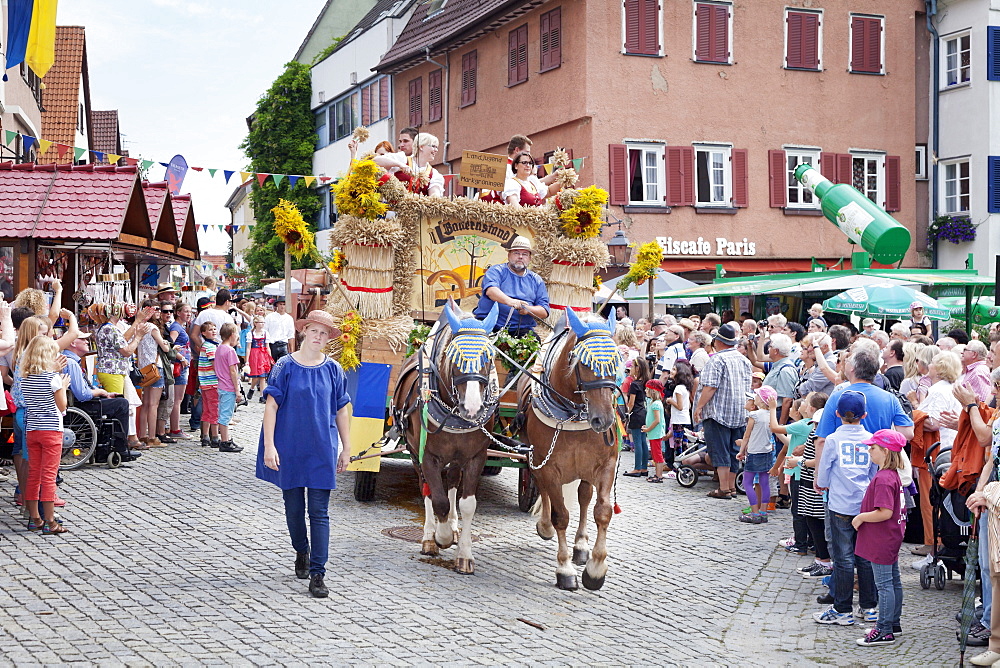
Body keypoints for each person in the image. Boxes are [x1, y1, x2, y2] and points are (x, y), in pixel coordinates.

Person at [258, 310, 352, 599]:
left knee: (320, 512)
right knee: (294, 508)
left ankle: (318, 573)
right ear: (304, 331)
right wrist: (270, 446)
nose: (319, 337)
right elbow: (271, 407)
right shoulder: (284, 366)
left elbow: (341, 409)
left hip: (322, 447)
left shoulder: (334, 369)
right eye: (315, 331)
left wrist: (347, 447)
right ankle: (302, 550)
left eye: (324, 333)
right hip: (290, 447)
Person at [813, 391, 878, 627]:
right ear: (865, 415)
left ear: (838, 414)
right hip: (864, 504)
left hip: (840, 503)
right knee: (865, 557)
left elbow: (824, 470)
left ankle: (842, 608)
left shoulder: (833, 440)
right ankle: (869, 606)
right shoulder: (870, 438)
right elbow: (873, 472)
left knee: (843, 558)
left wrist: (823, 483)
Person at [852, 429, 907, 647]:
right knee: (893, 581)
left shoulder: (884, 478)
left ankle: (884, 629)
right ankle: (893, 623)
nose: (869, 451)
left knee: (884, 585)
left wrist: (860, 517)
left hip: (881, 537)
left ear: (885, 451)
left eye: (873, 447)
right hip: (889, 535)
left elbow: (884, 511)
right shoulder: (890, 475)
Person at [694, 323, 752, 499]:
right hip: (740, 412)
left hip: (718, 412)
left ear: (717, 341)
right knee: (735, 450)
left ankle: (724, 488)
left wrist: (699, 406)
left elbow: (710, 387)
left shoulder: (717, 360)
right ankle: (732, 487)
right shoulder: (745, 360)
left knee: (720, 450)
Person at [19, 335, 71, 535]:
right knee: (48, 476)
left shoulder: (26, 378)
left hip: (33, 429)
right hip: (51, 430)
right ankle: (50, 521)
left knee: (34, 474)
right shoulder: (53, 378)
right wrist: (63, 388)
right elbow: (62, 405)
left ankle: (35, 518)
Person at [62, 335, 133, 460]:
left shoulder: (72, 361)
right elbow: (82, 394)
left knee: (117, 400)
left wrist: (104, 393)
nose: (87, 342)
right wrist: (99, 391)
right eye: (83, 339)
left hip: (81, 403)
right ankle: (120, 448)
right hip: (81, 406)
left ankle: (106, 448)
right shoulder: (71, 363)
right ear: (72, 343)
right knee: (121, 404)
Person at [473, 236, 548, 337]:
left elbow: (544, 311)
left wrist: (528, 309)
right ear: (509, 255)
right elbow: (491, 291)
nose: (520, 257)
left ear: (530, 258)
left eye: (525, 254)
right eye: (516, 253)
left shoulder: (536, 280)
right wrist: (511, 302)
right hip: (489, 325)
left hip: (521, 329)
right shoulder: (496, 271)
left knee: (533, 344)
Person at [135, 299, 173, 447]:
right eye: (155, 309)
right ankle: (152, 437)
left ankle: (142, 435)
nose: (158, 311)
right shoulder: (152, 327)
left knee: (145, 404)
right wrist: (166, 344)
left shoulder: (139, 326)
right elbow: (165, 349)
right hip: (155, 368)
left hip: (143, 369)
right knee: (153, 405)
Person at [736, 386, 776, 524]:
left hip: (754, 452)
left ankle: (755, 512)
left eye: (757, 396)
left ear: (762, 400)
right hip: (767, 452)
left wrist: (741, 451)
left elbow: (747, 436)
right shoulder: (771, 415)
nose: (755, 398)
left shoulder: (754, 415)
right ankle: (764, 511)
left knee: (747, 482)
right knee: (764, 483)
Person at [213, 323, 244, 453]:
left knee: (224, 412)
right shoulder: (230, 351)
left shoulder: (219, 348)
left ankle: (226, 439)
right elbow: (232, 371)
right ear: (232, 335)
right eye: (237, 334)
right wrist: (237, 390)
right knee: (226, 415)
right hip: (228, 386)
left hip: (221, 384)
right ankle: (225, 441)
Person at [664, 360, 695, 477]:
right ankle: (684, 468)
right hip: (685, 420)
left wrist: (670, 400)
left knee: (678, 445)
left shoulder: (678, 389)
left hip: (679, 421)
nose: (671, 371)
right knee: (684, 445)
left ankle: (677, 469)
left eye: (674, 369)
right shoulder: (684, 388)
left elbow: (680, 406)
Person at [167, 302, 192, 440]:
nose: (188, 314)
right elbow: (170, 345)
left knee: (177, 399)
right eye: (186, 311)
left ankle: (174, 427)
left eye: (189, 312)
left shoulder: (179, 326)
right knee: (177, 399)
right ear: (178, 312)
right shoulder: (176, 327)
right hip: (179, 366)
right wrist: (181, 357)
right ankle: (175, 429)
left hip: (182, 365)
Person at [623, 359, 650, 477]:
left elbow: (631, 403)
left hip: (636, 414)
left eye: (633, 366)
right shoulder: (645, 382)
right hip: (644, 413)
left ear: (638, 368)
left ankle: (637, 468)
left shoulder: (634, 384)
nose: (631, 369)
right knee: (643, 441)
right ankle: (644, 467)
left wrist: (627, 414)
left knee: (637, 441)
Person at [197, 321, 222, 449]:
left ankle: (205, 436)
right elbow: (214, 364)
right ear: (203, 333)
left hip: (204, 382)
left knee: (206, 409)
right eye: (210, 330)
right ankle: (215, 437)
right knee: (214, 410)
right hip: (212, 382)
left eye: (214, 329)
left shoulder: (205, 345)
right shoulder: (211, 347)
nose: (213, 331)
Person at [641, 379, 667, 483]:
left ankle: (659, 475)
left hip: (655, 433)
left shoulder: (656, 404)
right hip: (653, 433)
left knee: (657, 455)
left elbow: (657, 420)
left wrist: (648, 428)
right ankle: (657, 474)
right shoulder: (654, 403)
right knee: (655, 455)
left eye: (647, 389)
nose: (645, 390)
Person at [248, 315, 273, 402]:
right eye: (260, 322)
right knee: (256, 376)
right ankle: (252, 388)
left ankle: (262, 396)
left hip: (263, 355)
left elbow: (267, 346)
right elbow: (248, 348)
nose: (262, 324)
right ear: (255, 323)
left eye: (263, 322)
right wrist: (247, 360)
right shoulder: (250, 333)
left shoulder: (266, 333)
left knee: (262, 376)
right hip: (254, 355)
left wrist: (269, 357)